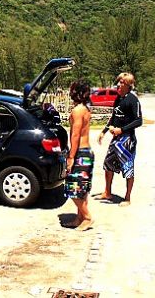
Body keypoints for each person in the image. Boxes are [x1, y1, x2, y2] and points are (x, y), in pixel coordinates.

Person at [97, 72, 142, 207]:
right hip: (115, 139)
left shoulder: (133, 100)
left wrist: (121, 129)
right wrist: (104, 131)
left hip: (127, 140)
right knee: (108, 164)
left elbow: (139, 120)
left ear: (128, 85)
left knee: (128, 167)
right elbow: (113, 117)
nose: (119, 84)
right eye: (119, 81)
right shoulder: (118, 99)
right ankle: (107, 192)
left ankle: (127, 197)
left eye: (122, 82)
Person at [63, 80, 94, 231]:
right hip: (87, 151)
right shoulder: (85, 109)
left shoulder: (77, 111)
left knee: (73, 188)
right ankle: (79, 218)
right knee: (82, 188)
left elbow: (75, 135)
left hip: (80, 153)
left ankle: (87, 217)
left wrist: (71, 157)